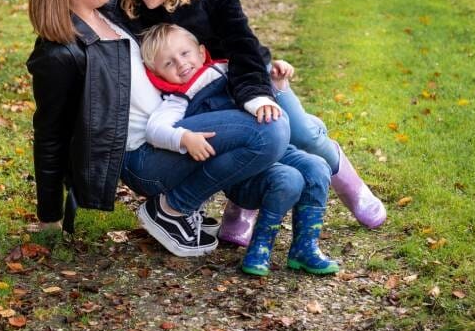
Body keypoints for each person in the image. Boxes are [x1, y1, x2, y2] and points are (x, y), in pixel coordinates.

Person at [25, 0, 290, 258]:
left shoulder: (114, 11)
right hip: (145, 156)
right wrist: (50, 217)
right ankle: (172, 208)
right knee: (271, 131)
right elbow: (50, 135)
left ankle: (200, 205)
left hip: (175, 121)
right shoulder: (61, 53)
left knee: (287, 159)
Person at [117, 0, 387, 244]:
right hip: (202, 91)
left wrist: (257, 95)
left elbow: (241, 41)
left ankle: (353, 188)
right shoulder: (135, 5)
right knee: (244, 140)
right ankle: (243, 204)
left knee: (300, 132)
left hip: (245, 73)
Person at [140, 23, 339, 275]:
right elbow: (154, 129)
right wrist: (184, 138)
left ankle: (305, 247)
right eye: (168, 63)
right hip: (246, 172)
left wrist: (276, 84)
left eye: (184, 53)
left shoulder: (231, 69)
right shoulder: (180, 98)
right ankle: (260, 247)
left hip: (278, 148)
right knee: (288, 179)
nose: (180, 64)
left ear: (202, 52)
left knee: (317, 167)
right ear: (157, 73)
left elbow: (263, 96)